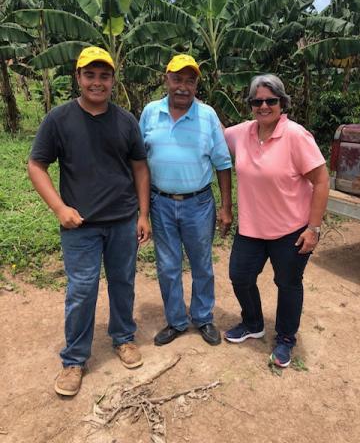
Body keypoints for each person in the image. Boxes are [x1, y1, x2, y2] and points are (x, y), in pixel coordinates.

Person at [28, 46, 151, 396]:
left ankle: (123, 338)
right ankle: (74, 359)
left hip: (123, 221)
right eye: (90, 75)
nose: (98, 82)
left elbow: (140, 167)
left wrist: (143, 214)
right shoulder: (59, 119)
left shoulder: (125, 120)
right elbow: (36, 165)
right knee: (82, 290)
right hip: (79, 226)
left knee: (123, 281)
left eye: (105, 75)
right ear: (78, 78)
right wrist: (59, 208)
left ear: (113, 79)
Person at [224, 74, 329, 368]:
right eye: (257, 101)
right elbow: (214, 131)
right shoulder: (242, 132)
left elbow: (321, 181)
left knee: (288, 283)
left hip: (291, 230)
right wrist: (190, 101)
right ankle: (253, 323)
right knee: (240, 276)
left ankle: (285, 338)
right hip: (251, 228)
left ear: (282, 103)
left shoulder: (296, 135)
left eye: (271, 100)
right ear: (250, 105)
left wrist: (313, 228)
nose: (264, 106)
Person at [139, 54, 232, 347]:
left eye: (189, 81)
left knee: (202, 263)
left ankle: (203, 317)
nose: (183, 86)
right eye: (177, 79)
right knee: (167, 266)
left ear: (195, 85)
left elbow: (223, 163)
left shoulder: (208, 116)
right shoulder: (150, 113)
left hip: (198, 204)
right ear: (166, 79)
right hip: (161, 202)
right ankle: (177, 321)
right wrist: (141, 210)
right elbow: (139, 162)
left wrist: (227, 208)